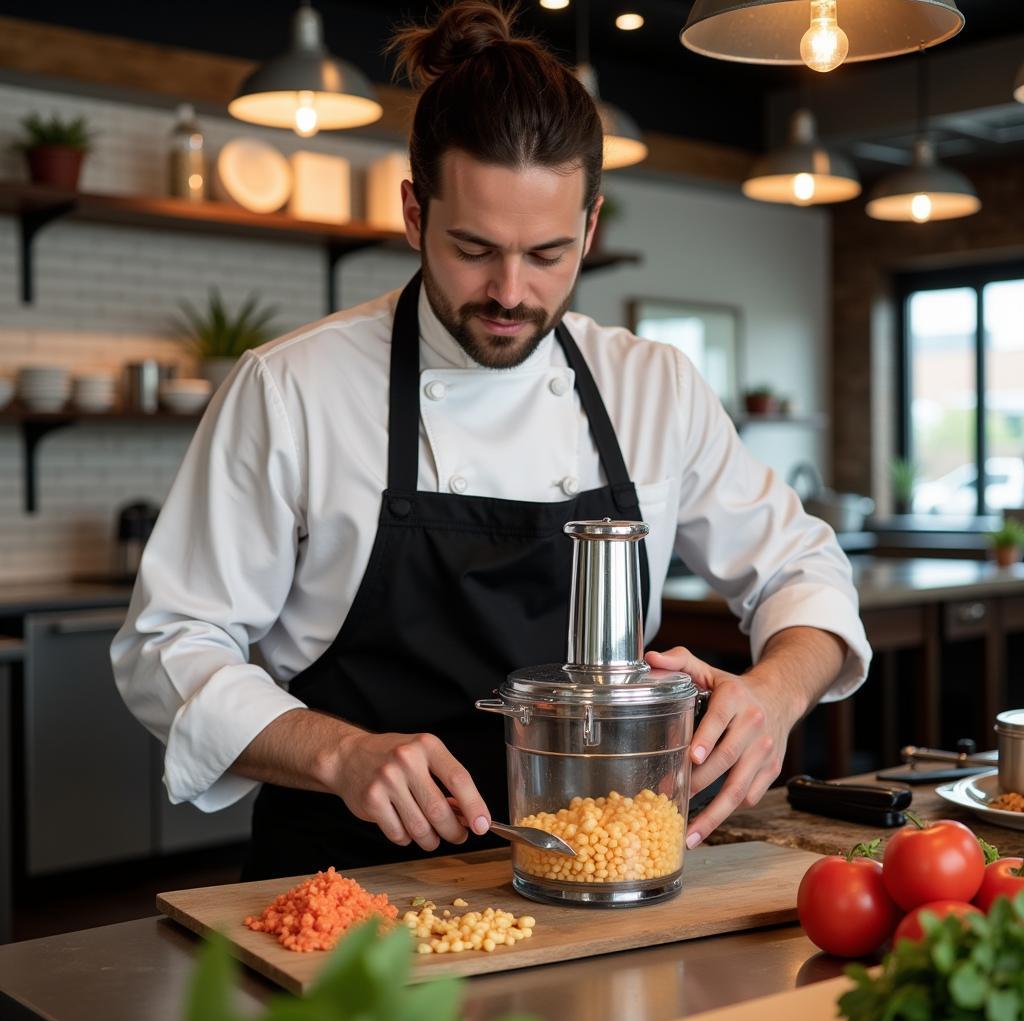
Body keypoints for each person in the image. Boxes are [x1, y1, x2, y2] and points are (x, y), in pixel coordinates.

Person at [111, 0, 871, 881]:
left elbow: (801, 570)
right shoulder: (291, 389)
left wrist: (776, 692)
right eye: (474, 248)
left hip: (605, 867)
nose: (510, 292)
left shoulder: (652, 388)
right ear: (413, 212)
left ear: (590, 229)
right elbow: (169, 645)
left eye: (547, 254)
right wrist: (338, 755)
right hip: (347, 881)